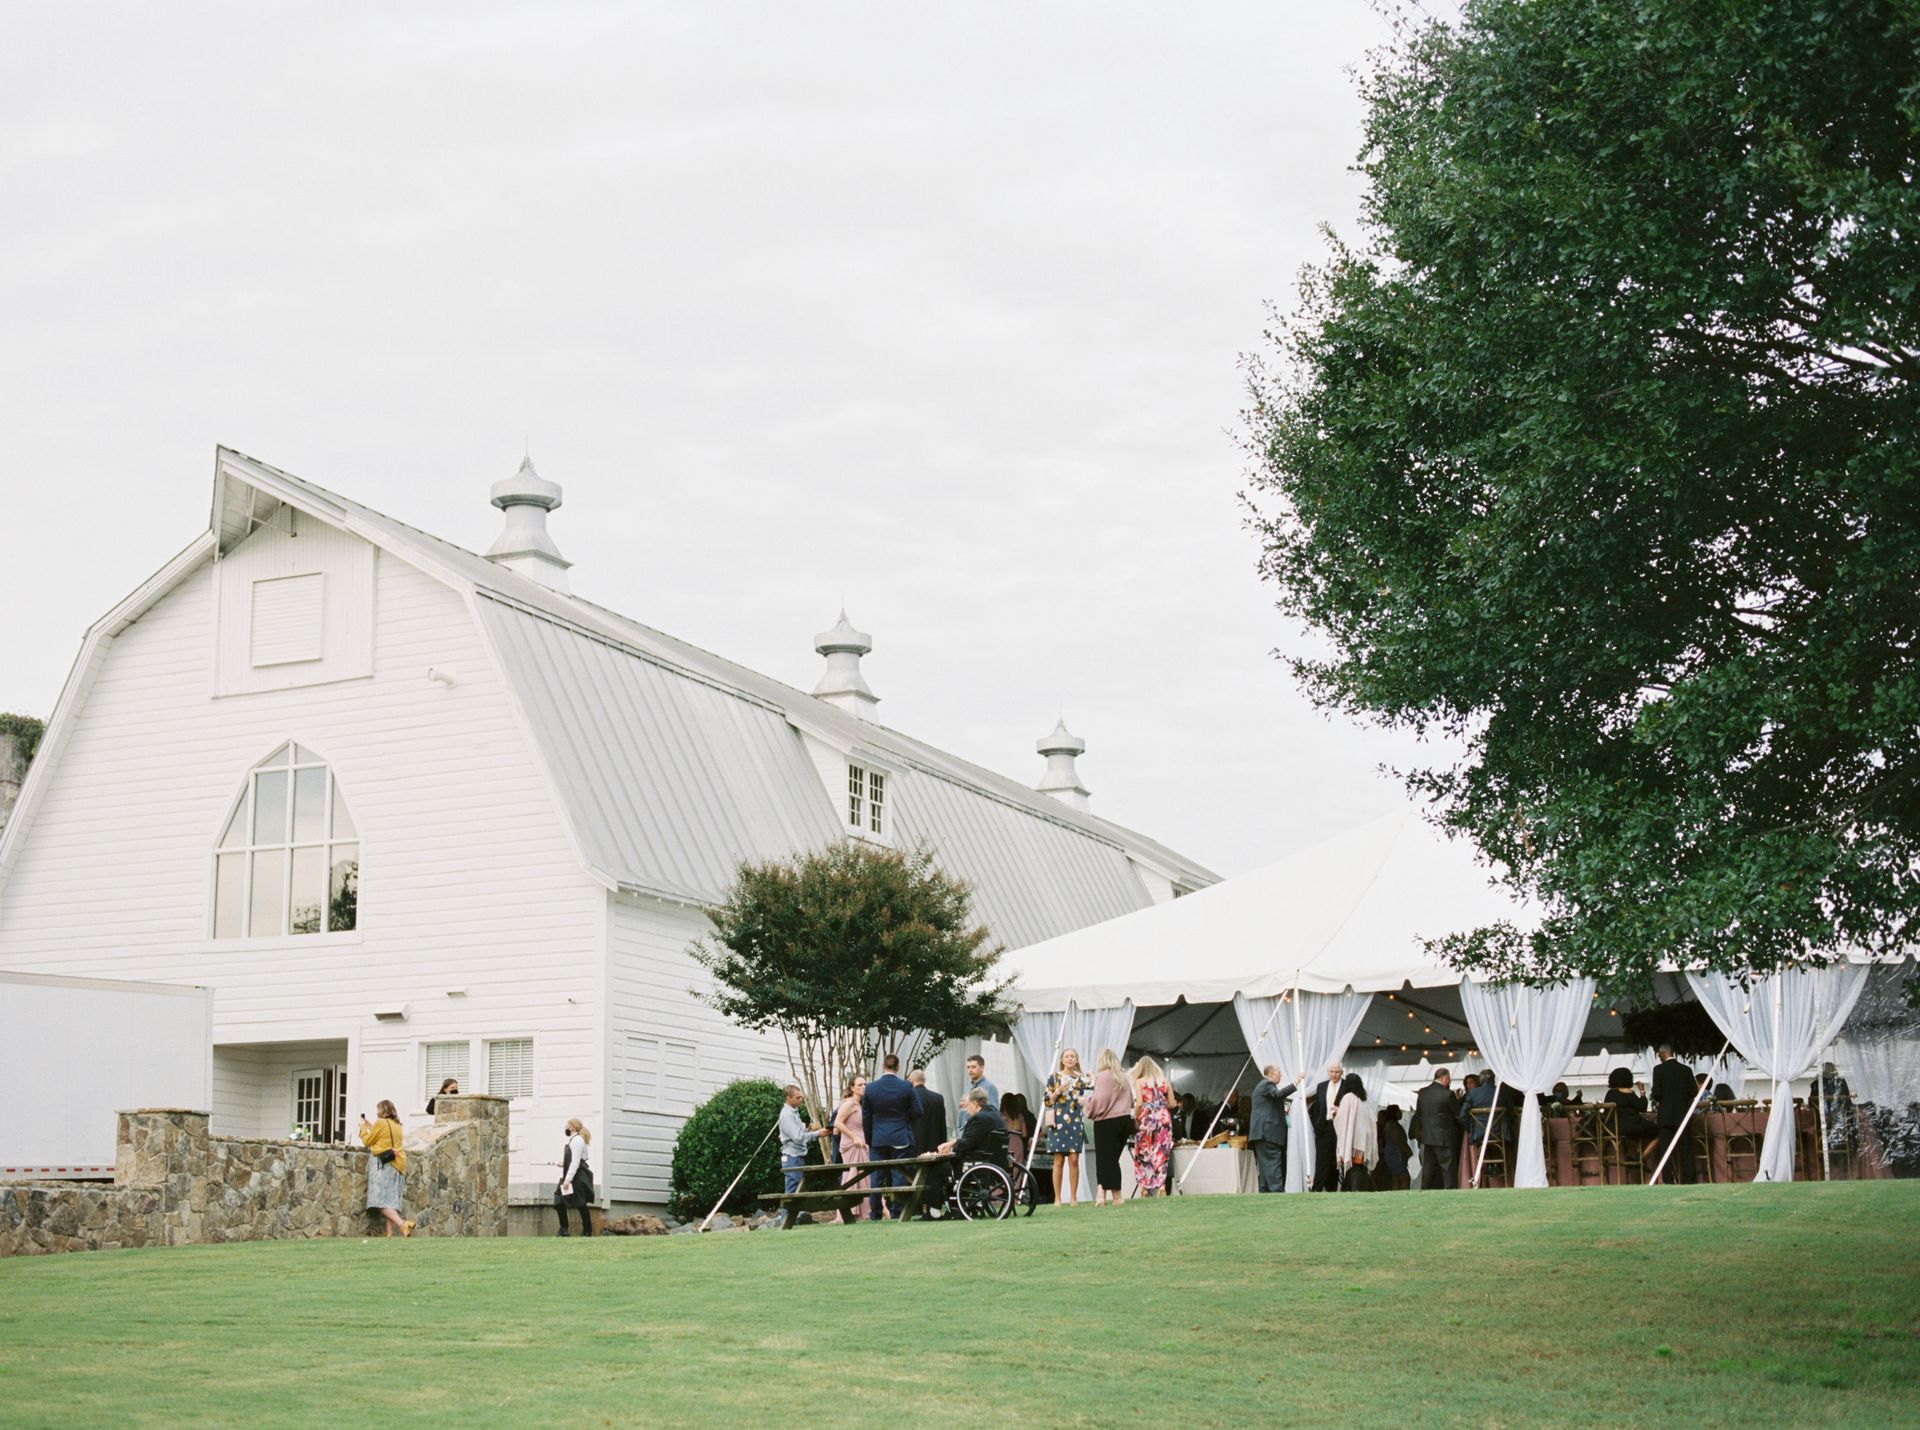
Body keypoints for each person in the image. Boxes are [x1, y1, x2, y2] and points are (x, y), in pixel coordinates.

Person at [861, 1052, 924, 1220]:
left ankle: (875, 1213)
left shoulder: (871, 1088)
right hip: (900, 1137)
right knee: (899, 1174)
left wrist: (869, 1139)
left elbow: (866, 1117)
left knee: (876, 1177)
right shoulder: (907, 1086)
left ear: (883, 1066)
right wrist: (904, 1121)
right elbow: (918, 1111)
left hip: (879, 1138)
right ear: (898, 1067)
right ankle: (897, 1212)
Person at [1084, 1048, 1135, 1207]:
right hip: (1124, 1120)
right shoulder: (1123, 1076)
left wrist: (1086, 1102)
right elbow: (1132, 1101)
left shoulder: (1104, 1076)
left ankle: (1117, 1196)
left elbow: (1099, 1101)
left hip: (1107, 1122)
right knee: (1108, 1159)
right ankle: (1101, 1194)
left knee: (1108, 1161)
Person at [1043, 1048, 1092, 1208]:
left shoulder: (1081, 1079)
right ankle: (1057, 1198)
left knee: (1074, 1159)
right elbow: (1047, 1101)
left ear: (1076, 1060)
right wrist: (1057, 1091)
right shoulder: (1055, 1077)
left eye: (1073, 1056)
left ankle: (1073, 1197)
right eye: (1067, 1056)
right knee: (1058, 1160)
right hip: (1058, 1122)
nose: (1070, 1059)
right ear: (1062, 1060)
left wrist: (1092, 1077)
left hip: (1075, 1121)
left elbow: (1094, 1091)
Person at [357, 1100, 413, 1238]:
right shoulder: (396, 1124)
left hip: (385, 1164)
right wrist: (372, 1126)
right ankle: (389, 1233)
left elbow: (367, 1142)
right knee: (391, 1200)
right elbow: (385, 1137)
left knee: (380, 1201)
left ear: (382, 1110)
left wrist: (363, 1128)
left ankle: (402, 1224)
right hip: (398, 1162)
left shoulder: (381, 1123)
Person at [776, 1084, 827, 1228]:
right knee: (792, 1190)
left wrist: (809, 1129)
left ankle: (791, 1220)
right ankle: (785, 1222)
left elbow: (797, 1132)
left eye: (801, 1097)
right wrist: (818, 1134)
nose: (800, 1100)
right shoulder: (786, 1115)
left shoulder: (794, 1112)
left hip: (798, 1155)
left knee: (797, 1188)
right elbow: (798, 1138)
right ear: (788, 1098)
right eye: (798, 1098)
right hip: (791, 1156)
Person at [1649, 1045, 1698, 1185]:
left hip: (1666, 1116)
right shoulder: (1686, 1070)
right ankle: (1690, 1180)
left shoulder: (1658, 1070)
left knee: (1665, 1151)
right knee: (1686, 1150)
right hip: (1683, 1115)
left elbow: (1657, 1094)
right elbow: (1694, 1092)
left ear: (1662, 1054)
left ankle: (1669, 1180)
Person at [1129, 1057, 1176, 1196]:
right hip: (1163, 1118)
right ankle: (1161, 1186)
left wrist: (1136, 1117)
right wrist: (1160, 1105)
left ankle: (1144, 1187)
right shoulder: (1165, 1081)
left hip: (1146, 1118)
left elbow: (1139, 1103)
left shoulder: (1139, 1082)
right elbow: (1172, 1103)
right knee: (1161, 1152)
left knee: (1143, 1151)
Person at [833, 1076, 870, 1222]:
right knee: (852, 1177)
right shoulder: (849, 1104)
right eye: (860, 1084)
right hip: (852, 1143)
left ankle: (863, 1212)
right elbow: (838, 1123)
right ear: (852, 1087)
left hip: (862, 1142)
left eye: (865, 1084)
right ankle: (845, 1211)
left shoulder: (860, 1105)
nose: (864, 1087)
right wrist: (854, 1137)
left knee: (863, 1177)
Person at [1332, 1073, 1377, 1191]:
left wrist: (1336, 1112)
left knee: (1353, 1167)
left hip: (1353, 1138)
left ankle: (1355, 1188)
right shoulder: (1364, 1100)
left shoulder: (1348, 1097)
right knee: (1361, 1166)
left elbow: (1341, 1119)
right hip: (1363, 1140)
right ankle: (1361, 1188)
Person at [1249, 1065, 1291, 1193]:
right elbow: (1278, 1094)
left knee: (1265, 1165)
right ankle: (1276, 1191)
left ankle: (1265, 1191)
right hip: (1268, 1133)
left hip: (1262, 1133)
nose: (1281, 1075)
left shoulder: (1263, 1086)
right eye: (1279, 1072)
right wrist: (1295, 1083)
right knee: (1273, 1163)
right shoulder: (1267, 1084)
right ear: (1271, 1073)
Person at [1413, 1069, 1456, 1190]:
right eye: (1449, 1080)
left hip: (1427, 1136)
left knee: (1428, 1168)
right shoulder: (1448, 1094)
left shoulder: (1422, 1093)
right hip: (1444, 1136)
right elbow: (1457, 1112)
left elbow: (1419, 1114)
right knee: (1447, 1167)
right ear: (1444, 1078)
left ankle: (1425, 1190)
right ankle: (1449, 1191)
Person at [554, 1117, 596, 1236]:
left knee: (581, 1203)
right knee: (559, 1200)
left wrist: (567, 1180)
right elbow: (573, 1161)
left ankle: (587, 1232)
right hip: (573, 1174)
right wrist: (563, 1164)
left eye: (567, 1126)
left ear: (571, 1127)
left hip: (577, 1177)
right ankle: (564, 1229)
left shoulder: (577, 1141)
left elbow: (576, 1162)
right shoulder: (574, 1140)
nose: (566, 1128)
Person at [1306, 1062, 1344, 1191]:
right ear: (1328, 1072)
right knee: (1321, 1160)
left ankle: (1332, 1188)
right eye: (1332, 1072)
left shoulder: (1346, 1086)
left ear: (1341, 1072)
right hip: (1323, 1127)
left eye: (1337, 1072)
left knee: (1336, 1160)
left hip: (1339, 1128)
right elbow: (1317, 1108)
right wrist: (1317, 1125)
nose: (1334, 1074)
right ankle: (1317, 1189)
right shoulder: (1321, 1086)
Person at [1604, 1067, 1661, 1142]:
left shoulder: (1610, 1093)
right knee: (1659, 1131)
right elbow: (1642, 1107)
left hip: (1612, 1128)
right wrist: (1642, 1091)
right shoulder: (1628, 1092)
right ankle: (1644, 1153)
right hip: (1631, 1126)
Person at [909, 1070, 948, 1158]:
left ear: (911, 1081)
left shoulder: (909, 1098)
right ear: (924, 1081)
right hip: (934, 1144)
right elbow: (942, 1124)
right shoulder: (938, 1098)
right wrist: (943, 1144)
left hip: (914, 1145)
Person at [958, 1055, 999, 1130]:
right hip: (964, 1131)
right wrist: (959, 1127)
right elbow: (962, 1110)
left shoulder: (990, 1087)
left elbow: (993, 1113)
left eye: (973, 1067)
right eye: (968, 1067)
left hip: (979, 1131)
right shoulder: (968, 1087)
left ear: (982, 1068)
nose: (970, 1070)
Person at [1377, 1105, 1413, 1190]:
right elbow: (1398, 1141)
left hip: (1394, 1154)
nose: (1400, 1113)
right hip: (1396, 1155)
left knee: (1396, 1179)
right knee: (1404, 1178)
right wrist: (1407, 1150)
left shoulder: (1391, 1125)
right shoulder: (1392, 1126)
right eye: (1398, 1111)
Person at [1000, 1092, 1032, 1169]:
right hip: (1018, 1142)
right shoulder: (1020, 1116)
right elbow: (1024, 1134)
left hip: (1006, 1142)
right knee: (1017, 1166)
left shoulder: (1002, 1115)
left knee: (1006, 1167)